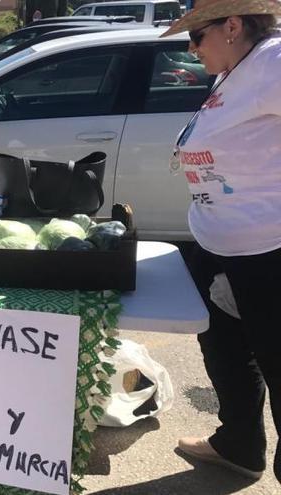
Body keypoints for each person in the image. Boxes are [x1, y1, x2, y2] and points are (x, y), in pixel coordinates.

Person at [161, 0, 281, 481]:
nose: (190, 48)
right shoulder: (236, 69)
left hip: (268, 252)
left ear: (232, 26)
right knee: (226, 349)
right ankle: (239, 445)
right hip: (220, 244)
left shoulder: (272, 60)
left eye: (197, 36)